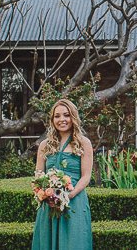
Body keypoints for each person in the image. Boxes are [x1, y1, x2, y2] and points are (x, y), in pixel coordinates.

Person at [32, 99, 93, 250]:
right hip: (49, 203)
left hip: (75, 201)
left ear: (73, 117)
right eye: (57, 116)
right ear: (52, 120)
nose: (62, 120)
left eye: (66, 115)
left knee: (74, 243)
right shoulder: (44, 145)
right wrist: (45, 194)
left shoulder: (84, 143)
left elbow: (86, 177)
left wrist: (68, 196)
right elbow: (39, 175)